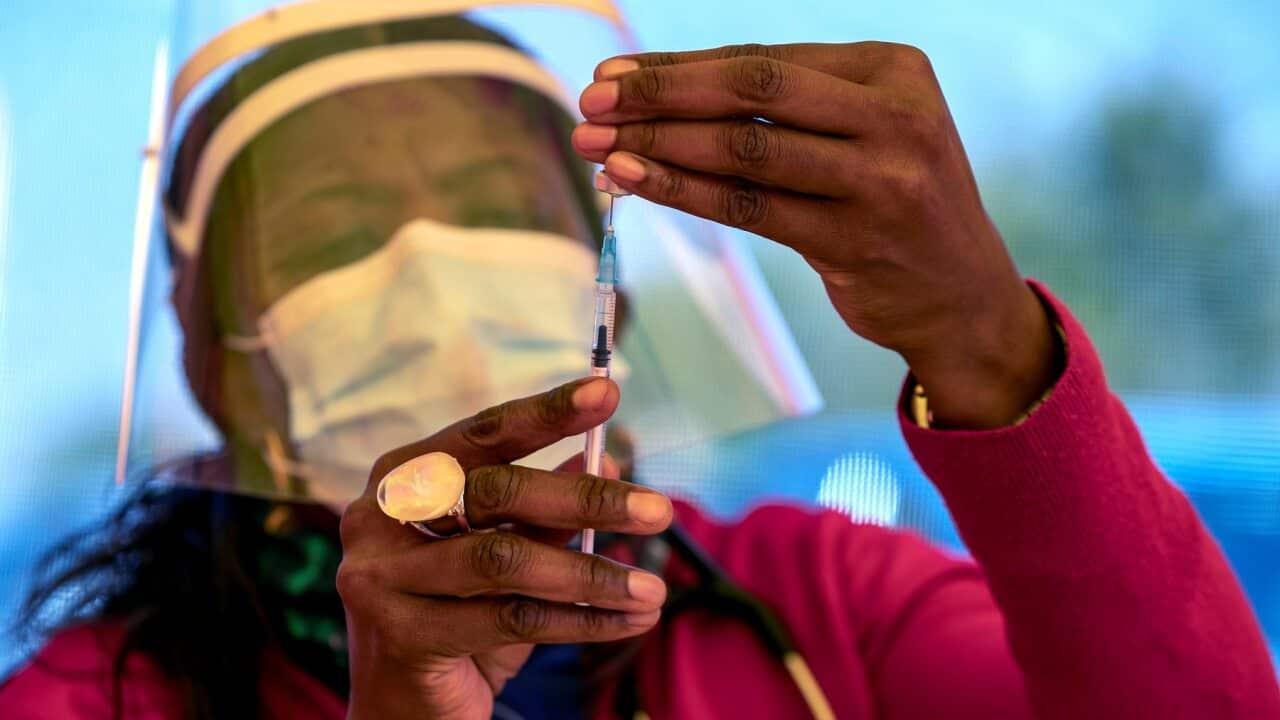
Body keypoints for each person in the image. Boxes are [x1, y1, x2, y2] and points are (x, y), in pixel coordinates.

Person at [3, 16, 1278, 720]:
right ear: (225, 365)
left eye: (487, 199)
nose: (433, 266)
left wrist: (987, 340)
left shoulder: (820, 604)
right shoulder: (95, 698)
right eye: (336, 232)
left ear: (593, 272)